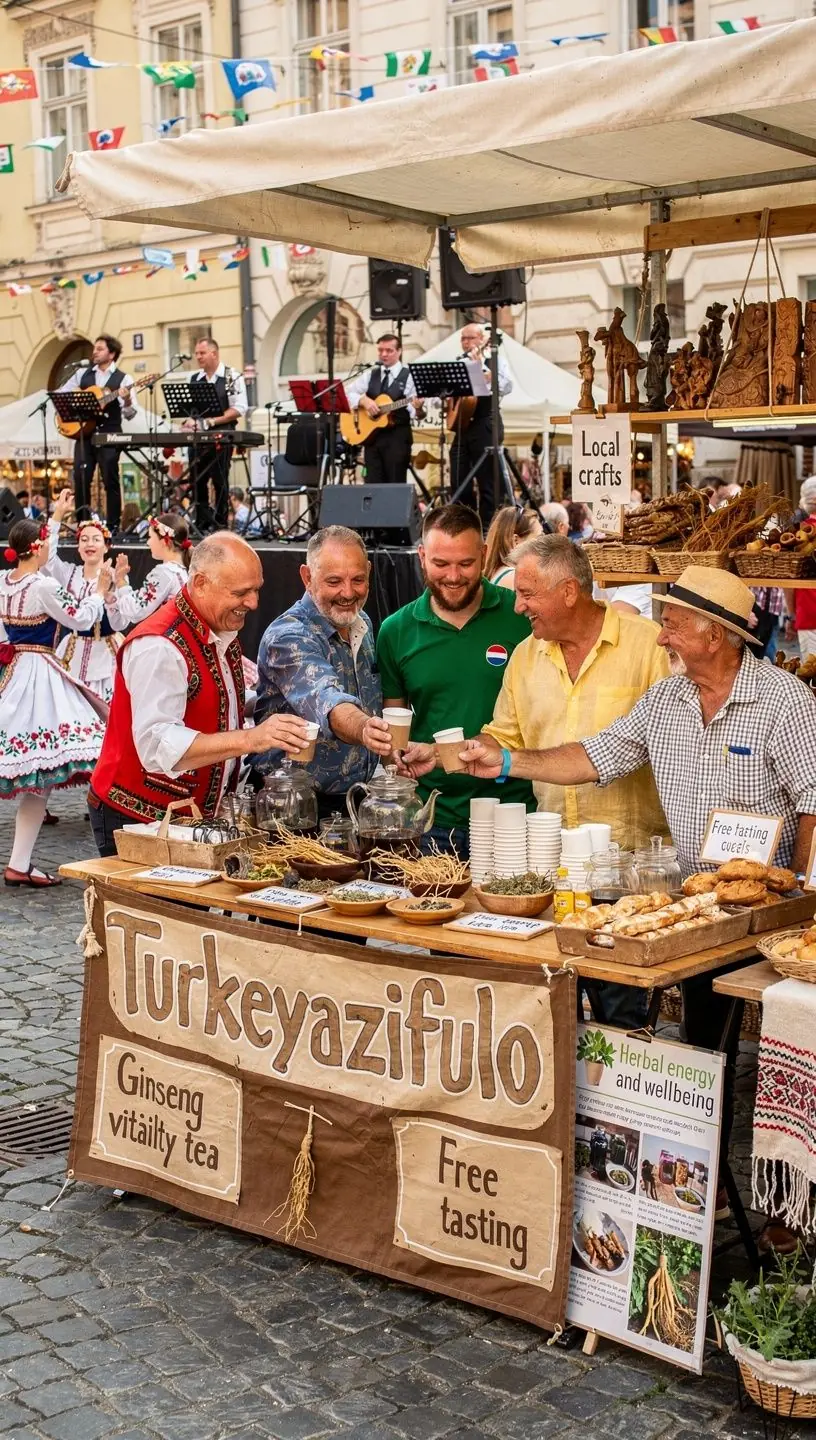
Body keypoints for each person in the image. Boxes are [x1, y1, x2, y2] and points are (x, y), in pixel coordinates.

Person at [461, 565, 816, 1177]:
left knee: (782, 1054)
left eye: (673, 625)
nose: (660, 637)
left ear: (714, 636)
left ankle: (779, 1186)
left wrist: (804, 900)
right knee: (705, 1044)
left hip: (768, 914)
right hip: (695, 904)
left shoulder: (785, 701)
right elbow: (594, 756)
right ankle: (707, 1182)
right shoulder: (666, 701)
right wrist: (507, 761)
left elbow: (813, 802)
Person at [88, 533, 308, 856]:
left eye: (256, 589)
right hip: (137, 816)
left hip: (187, 817)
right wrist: (252, 739)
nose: (253, 603)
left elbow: (213, 700)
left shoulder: (216, 625)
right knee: (156, 908)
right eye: (241, 592)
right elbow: (157, 744)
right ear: (201, 583)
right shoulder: (160, 646)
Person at [376, 504, 534, 856]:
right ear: (421, 556)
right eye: (440, 563)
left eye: (465, 563)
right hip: (434, 818)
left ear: (484, 554)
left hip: (514, 811)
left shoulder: (521, 615)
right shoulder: (395, 631)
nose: (453, 576)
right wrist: (396, 765)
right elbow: (395, 726)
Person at [253, 526, 394, 817]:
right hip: (292, 809)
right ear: (307, 577)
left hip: (352, 802)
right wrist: (365, 729)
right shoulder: (288, 636)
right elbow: (327, 701)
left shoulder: (360, 621)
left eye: (358, 580)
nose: (347, 593)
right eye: (333, 581)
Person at [0, 518, 110, 886]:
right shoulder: (43, 585)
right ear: (38, 547)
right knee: (80, 752)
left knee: (38, 775)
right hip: (38, 675)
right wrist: (99, 591)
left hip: (13, 668)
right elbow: (80, 618)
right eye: (48, 542)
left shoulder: (3, 581)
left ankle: (20, 862)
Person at [43, 490, 123, 705]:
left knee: (107, 709)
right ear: (78, 547)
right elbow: (46, 556)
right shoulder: (69, 573)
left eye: (96, 539)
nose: (90, 544)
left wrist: (112, 594)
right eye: (84, 540)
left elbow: (123, 620)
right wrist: (58, 514)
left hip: (106, 653)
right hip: (73, 650)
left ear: (107, 546)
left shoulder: (115, 576)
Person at [58, 334, 136, 531]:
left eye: (100, 349)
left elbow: (129, 413)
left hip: (110, 434)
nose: (95, 352)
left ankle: (113, 526)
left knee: (110, 478)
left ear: (112, 354)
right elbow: (60, 394)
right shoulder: (81, 375)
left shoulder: (123, 378)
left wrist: (126, 400)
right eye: (95, 348)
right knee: (81, 477)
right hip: (84, 433)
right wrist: (77, 402)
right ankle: (83, 524)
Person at [448, 322, 513, 527]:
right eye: (463, 339)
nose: (466, 342)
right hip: (462, 425)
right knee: (459, 476)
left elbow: (506, 385)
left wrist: (482, 369)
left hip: (486, 422)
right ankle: (464, 522)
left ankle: (488, 526)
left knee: (488, 479)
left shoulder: (495, 361)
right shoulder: (458, 363)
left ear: (482, 340)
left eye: (470, 338)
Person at [183, 337, 248, 534]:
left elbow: (239, 407)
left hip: (222, 435)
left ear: (214, 353)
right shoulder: (194, 378)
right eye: (196, 353)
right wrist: (190, 420)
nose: (198, 357)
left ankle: (220, 523)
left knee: (220, 479)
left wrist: (212, 421)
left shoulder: (231, 376)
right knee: (197, 479)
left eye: (202, 353)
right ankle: (201, 520)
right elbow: (190, 409)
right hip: (198, 438)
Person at [344, 334, 423, 485]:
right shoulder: (370, 374)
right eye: (380, 350)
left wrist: (419, 409)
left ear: (399, 351)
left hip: (397, 439)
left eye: (389, 350)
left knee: (395, 485)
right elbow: (347, 392)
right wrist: (363, 400)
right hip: (372, 439)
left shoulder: (410, 376)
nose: (384, 354)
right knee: (372, 486)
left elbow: (417, 414)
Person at [106, 514, 192, 629]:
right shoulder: (183, 569)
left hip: (166, 644)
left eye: (150, 537)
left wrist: (121, 581)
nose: (148, 542)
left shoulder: (165, 572)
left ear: (164, 542)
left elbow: (135, 611)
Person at [483, 505, 542, 589]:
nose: (543, 543)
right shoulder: (514, 577)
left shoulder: (499, 572)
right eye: (539, 538)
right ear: (516, 541)